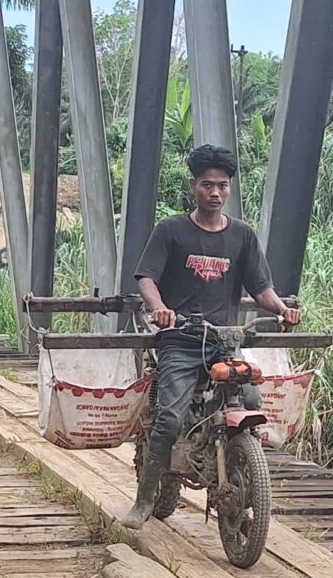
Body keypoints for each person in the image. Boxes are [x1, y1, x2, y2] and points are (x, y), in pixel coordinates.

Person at [121, 143, 301, 527]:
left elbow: (261, 289)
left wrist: (282, 309)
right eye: (207, 185)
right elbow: (147, 278)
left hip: (224, 342)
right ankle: (144, 499)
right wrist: (159, 309)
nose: (215, 193)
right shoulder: (171, 230)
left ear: (230, 189)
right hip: (181, 341)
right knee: (168, 418)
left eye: (221, 186)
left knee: (251, 397)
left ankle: (242, 468)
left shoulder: (242, 236)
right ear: (193, 187)